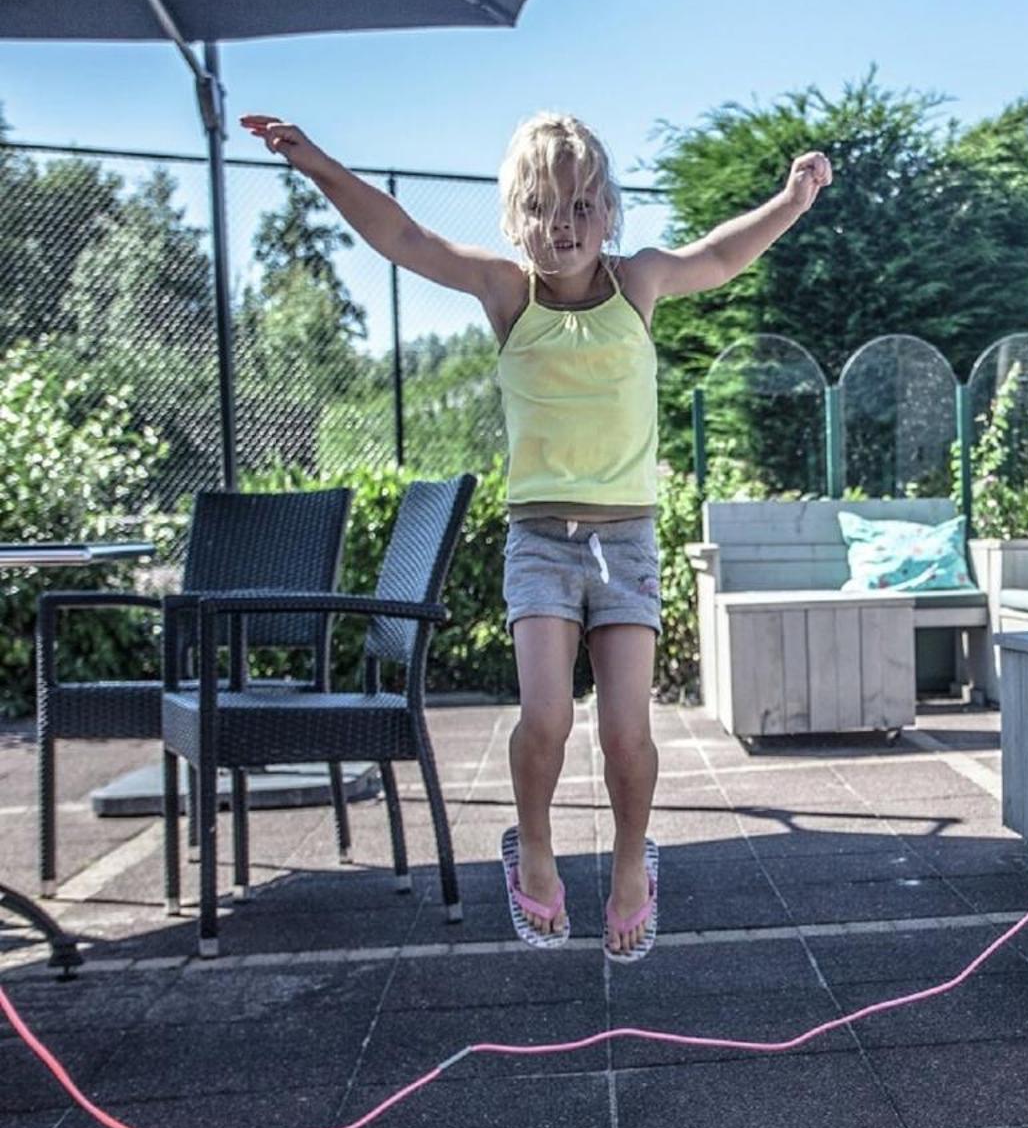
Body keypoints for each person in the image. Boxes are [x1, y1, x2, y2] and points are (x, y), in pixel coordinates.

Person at [243, 110, 832, 961]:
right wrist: (319, 165)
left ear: (610, 213)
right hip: (540, 541)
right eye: (545, 208)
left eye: (583, 205)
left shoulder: (641, 283)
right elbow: (403, 235)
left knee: (629, 730)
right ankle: (538, 843)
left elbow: (721, 254)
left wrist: (791, 199)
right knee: (547, 715)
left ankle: (633, 862)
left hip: (626, 540)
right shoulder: (506, 291)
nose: (565, 224)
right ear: (517, 218)